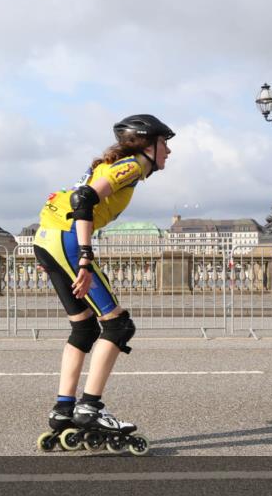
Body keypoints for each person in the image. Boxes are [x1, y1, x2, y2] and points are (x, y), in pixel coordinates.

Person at [33, 114, 174, 453]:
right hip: (67, 238)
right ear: (147, 144)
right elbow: (84, 199)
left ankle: (63, 409)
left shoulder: (122, 164)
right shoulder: (134, 165)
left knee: (83, 329)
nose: (168, 150)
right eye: (164, 143)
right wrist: (84, 258)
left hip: (47, 236)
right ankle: (89, 407)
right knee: (118, 325)